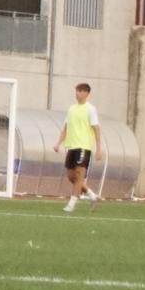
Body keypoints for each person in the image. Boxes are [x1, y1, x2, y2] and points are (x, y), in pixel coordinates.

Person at [52, 82, 104, 212]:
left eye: (80, 91)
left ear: (86, 93)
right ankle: (92, 195)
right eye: (76, 91)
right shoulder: (71, 109)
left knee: (79, 176)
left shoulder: (90, 109)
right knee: (71, 177)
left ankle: (71, 205)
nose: (77, 94)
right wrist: (58, 143)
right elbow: (66, 127)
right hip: (71, 147)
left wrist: (99, 148)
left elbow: (96, 129)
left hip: (83, 147)